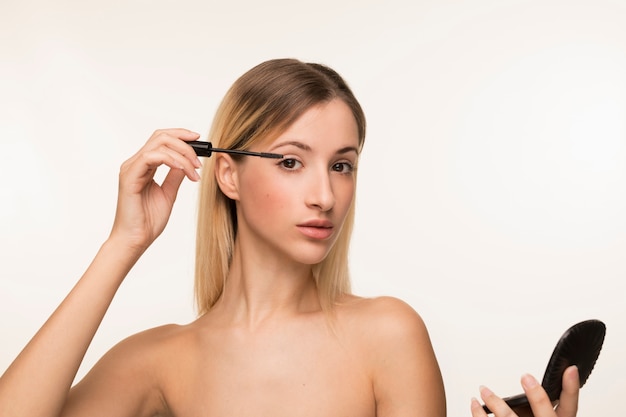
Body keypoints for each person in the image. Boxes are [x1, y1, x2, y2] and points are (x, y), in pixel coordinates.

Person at [0, 58, 578, 417]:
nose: (325, 196)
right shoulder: (156, 362)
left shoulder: (389, 335)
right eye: (291, 162)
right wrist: (123, 244)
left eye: (342, 165)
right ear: (227, 173)